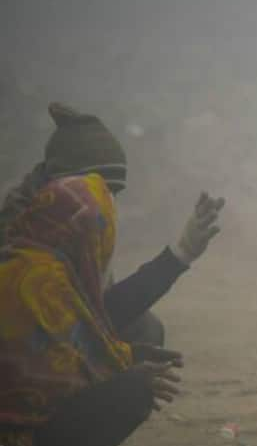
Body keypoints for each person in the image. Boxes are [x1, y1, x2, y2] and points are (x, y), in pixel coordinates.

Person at [0, 174, 186, 446]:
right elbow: (54, 381)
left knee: (139, 345)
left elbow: (79, 340)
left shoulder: (34, 259)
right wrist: (129, 375)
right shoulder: (39, 282)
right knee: (132, 393)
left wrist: (132, 355)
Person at [0, 103, 225, 347]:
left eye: (112, 192)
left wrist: (181, 253)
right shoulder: (21, 241)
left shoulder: (73, 220)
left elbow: (101, 311)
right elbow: (54, 339)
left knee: (144, 329)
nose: (106, 202)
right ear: (63, 185)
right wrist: (119, 381)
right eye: (96, 190)